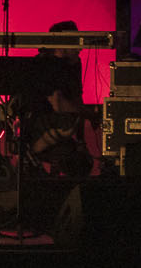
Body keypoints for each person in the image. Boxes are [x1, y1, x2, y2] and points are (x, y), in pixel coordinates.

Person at [21, 20, 92, 178]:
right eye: (75, 41)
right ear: (62, 43)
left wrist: (81, 142)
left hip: (61, 124)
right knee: (66, 126)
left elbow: (76, 101)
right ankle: (30, 151)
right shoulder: (45, 64)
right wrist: (90, 113)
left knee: (81, 163)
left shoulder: (74, 64)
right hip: (38, 124)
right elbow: (58, 104)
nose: (80, 47)